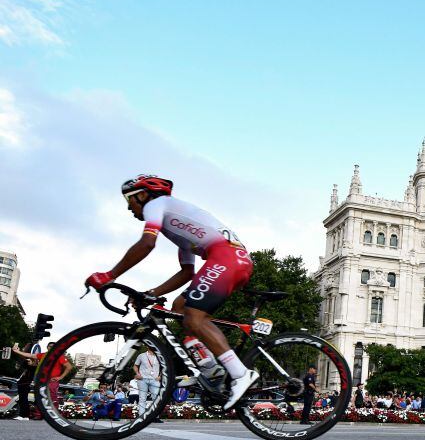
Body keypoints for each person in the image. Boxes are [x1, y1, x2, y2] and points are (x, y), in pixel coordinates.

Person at [84, 175, 256, 410]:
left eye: (129, 200)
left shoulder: (157, 205)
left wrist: (109, 275)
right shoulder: (176, 229)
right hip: (230, 259)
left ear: (142, 195)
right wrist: (152, 293)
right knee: (178, 307)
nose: (128, 207)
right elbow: (187, 273)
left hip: (226, 257)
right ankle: (210, 368)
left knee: (195, 317)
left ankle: (239, 374)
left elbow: (146, 244)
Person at [12, 341, 74, 411]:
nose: (51, 347)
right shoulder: (43, 355)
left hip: (52, 381)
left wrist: (60, 377)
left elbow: (69, 367)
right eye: (50, 346)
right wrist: (17, 351)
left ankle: (54, 414)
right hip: (42, 381)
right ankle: (39, 414)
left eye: (53, 346)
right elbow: (31, 355)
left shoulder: (59, 356)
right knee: (40, 398)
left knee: (52, 398)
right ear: (47, 347)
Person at [134, 347, 162, 419]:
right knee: (142, 398)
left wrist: (160, 376)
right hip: (143, 379)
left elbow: (164, 367)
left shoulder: (159, 356)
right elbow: (135, 366)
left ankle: (156, 417)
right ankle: (141, 417)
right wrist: (137, 373)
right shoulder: (141, 355)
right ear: (147, 346)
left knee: (156, 399)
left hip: (155, 380)